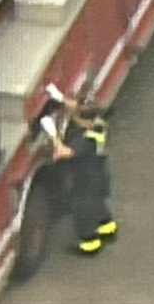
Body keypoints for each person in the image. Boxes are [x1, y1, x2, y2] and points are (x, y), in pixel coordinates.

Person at [47, 95, 118, 255]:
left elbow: (63, 154)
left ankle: (90, 244)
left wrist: (54, 137)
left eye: (79, 119)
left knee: (82, 212)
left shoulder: (85, 140)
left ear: (88, 122)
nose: (76, 121)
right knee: (98, 204)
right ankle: (108, 228)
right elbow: (81, 113)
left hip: (86, 181)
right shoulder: (100, 126)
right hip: (100, 177)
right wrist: (69, 106)